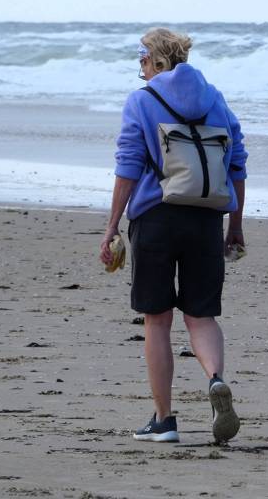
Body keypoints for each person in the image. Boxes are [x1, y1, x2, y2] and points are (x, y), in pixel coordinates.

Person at [99, 28, 248, 443]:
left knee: (157, 319)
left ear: (154, 61)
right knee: (201, 316)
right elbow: (236, 163)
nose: (141, 70)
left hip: (156, 218)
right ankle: (215, 378)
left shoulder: (141, 101)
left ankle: (163, 420)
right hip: (206, 219)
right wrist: (235, 225)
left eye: (142, 61)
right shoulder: (215, 99)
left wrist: (112, 225)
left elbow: (129, 166)